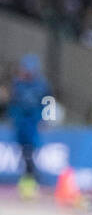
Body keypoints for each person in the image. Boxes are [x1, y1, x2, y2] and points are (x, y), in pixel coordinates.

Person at [10, 53, 51, 199]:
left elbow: (48, 102)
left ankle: (31, 181)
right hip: (20, 123)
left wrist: (46, 120)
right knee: (23, 153)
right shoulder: (17, 84)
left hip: (33, 123)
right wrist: (12, 118)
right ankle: (30, 181)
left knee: (29, 152)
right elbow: (13, 103)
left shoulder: (42, 85)